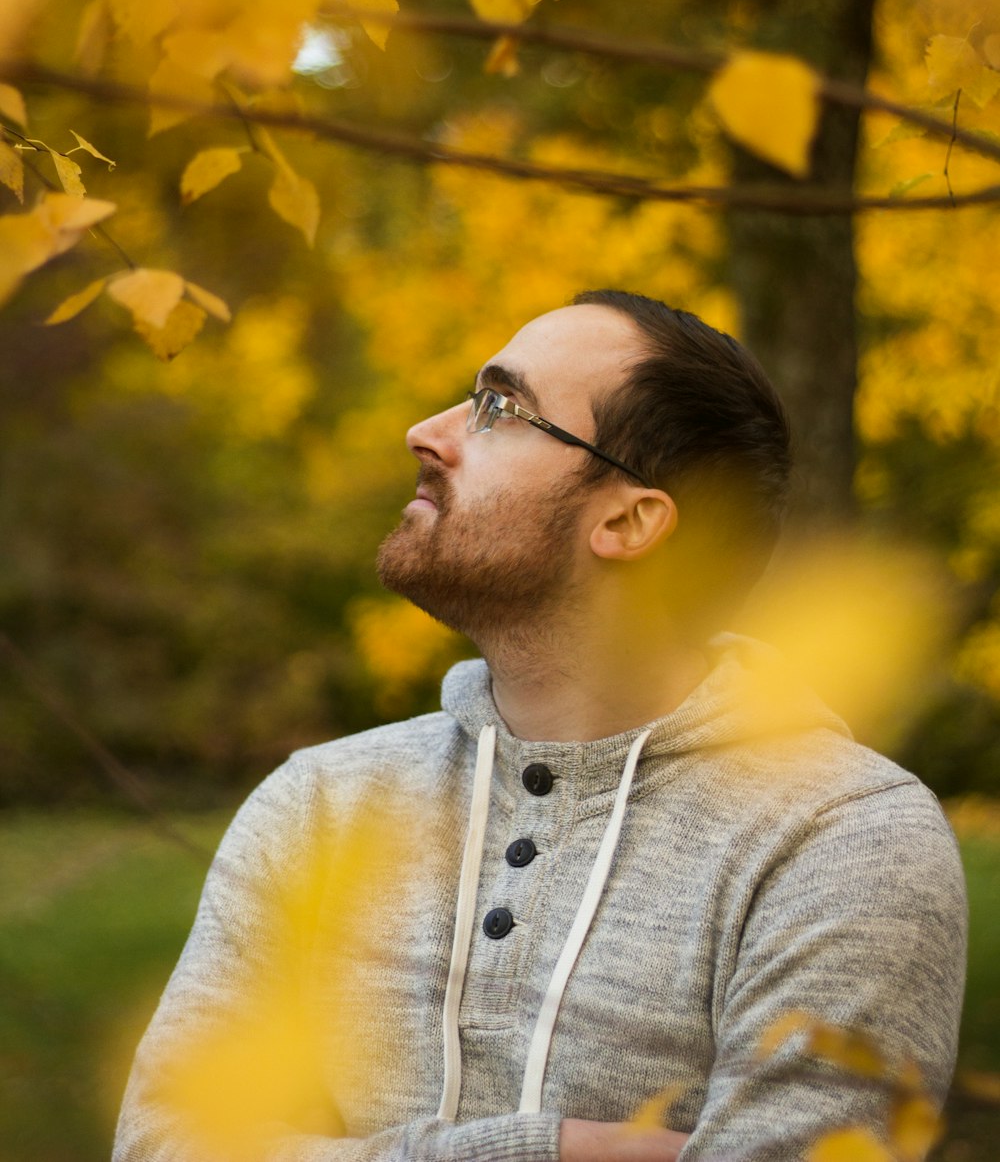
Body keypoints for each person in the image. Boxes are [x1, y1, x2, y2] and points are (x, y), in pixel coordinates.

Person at [114, 290, 967, 1162]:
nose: (426, 431)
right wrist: (544, 1152)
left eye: (499, 408)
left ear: (629, 521)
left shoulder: (841, 836)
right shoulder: (325, 804)